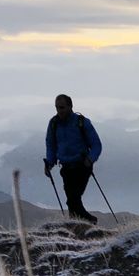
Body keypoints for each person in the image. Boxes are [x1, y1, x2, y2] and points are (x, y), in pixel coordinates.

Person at [44, 94, 103, 224]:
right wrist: (49, 163)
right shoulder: (54, 124)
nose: (59, 111)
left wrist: (90, 159)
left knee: (72, 199)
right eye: (57, 108)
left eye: (62, 107)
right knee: (73, 201)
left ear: (70, 106)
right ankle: (79, 228)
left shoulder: (82, 122)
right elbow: (51, 145)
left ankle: (89, 221)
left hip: (82, 166)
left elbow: (96, 145)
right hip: (66, 168)